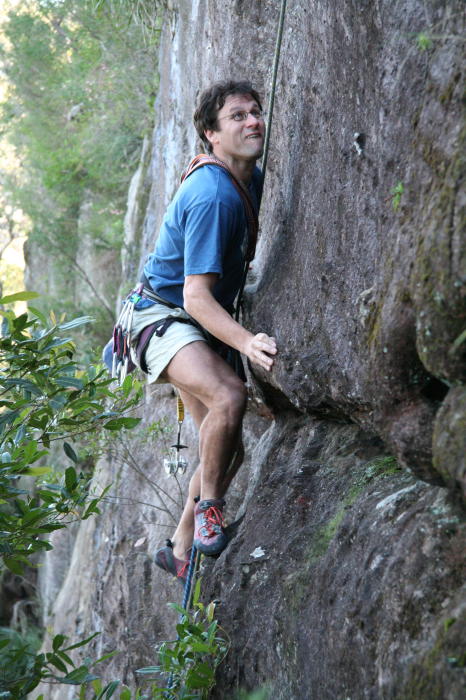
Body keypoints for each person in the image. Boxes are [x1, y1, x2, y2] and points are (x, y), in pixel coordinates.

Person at [130, 80, 277, 581]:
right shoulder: (214, 194)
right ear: (212, 135)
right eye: (237, 116)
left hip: (188, 321)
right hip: (162, 317)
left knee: (226, 446)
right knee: (229, 396)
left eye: (255, 112)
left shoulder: (248, 177)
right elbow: (195, 295)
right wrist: (246, 341)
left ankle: (177, 548)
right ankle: (210, 511)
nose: (253, 122)